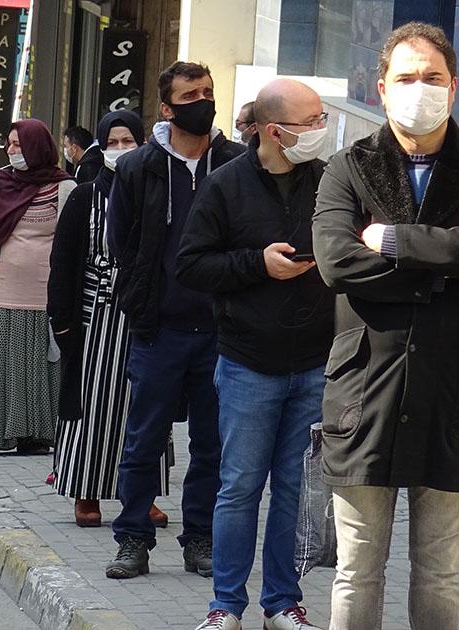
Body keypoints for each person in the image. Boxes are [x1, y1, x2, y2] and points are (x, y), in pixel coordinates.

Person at [312, 22, 459, 630]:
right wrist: (448, 255)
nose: (419, 89)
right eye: (406, 77)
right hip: (365, 394)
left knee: (439, 573)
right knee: (357, 572)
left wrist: (395, 242)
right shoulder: (348, 168)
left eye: (432, 78)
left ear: (454, 88)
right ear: (381, 88)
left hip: (454, 391)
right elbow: (335, 262)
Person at [177, 79, 333, 630]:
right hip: (247, 363)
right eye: (312, 121)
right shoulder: (225, 186)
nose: (322, 131)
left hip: (315, 362)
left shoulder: (329, 182)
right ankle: (226, 606)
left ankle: (282, 603)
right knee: (240, 485)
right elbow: (190, 265)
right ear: (273, 131)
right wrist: (255, 264)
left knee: (294, 487)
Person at [104, 60, 245, 581]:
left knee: (212, 443)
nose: (202, 101)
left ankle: (200, 539)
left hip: (220, 331)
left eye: (208, 92)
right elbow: (121, 242)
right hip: (158, 330)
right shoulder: (138, 168)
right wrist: (145, 300)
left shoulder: (235, 163)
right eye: (190, 95)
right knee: (143, 438)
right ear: (166, 107)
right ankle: (133, 539)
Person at [48, 110, 164, 531]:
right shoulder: (83, 196)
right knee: (94, 406)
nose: (120, 151)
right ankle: (86, 491)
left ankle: (141, 495)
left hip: (143, 317)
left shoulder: (157, 193)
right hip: (93, 320)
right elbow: (61, 264)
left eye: (128, 142)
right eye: (112, 143)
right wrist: (61, 321)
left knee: (145, 405)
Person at [0, 119, 76, 457]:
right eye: (8, 145)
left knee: (42, 368)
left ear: (37, 146)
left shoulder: (65, 188)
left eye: (18, 145)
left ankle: (36, 436)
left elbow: (74, 245)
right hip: (1, 295)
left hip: (47, 296)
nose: (11, 151)